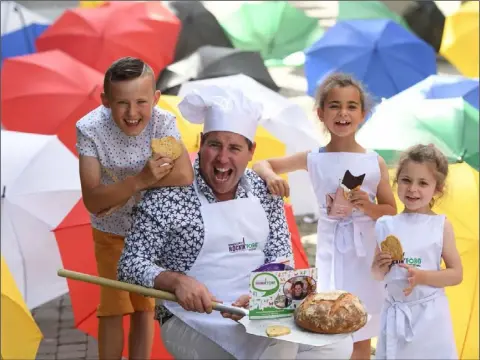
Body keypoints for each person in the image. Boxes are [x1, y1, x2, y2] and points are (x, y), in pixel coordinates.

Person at [117, 85, 354, 359]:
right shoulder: (168, 191)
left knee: (337, 343)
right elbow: (130, 264)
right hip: (193, 318)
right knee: (281, 344)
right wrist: (175, 281)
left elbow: (280, 256)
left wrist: (262, 298)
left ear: (251, 151)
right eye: (214, 145)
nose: (222, 158)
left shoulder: (265, 191)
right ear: (202, 142)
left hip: (256, 313)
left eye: (235, 148)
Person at [252, 73, 398, 359]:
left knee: (362, 324)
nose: (343, 112)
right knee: (331, 320)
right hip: (332, 246)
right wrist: (271, 176)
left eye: (351, 106)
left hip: (365, 250)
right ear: (320, 113)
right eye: (334, 106)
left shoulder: (373, 161)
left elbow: (390, 209)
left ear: (362, 114)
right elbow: (262, 163)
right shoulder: (313, 158)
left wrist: (367, 206)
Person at [76, 56, 194, 360]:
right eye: (122, 103)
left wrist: (120, 191)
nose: (132, 113)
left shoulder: (163, 122)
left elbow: (184, 175)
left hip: (150, 231)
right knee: (113, 307)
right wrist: (140, 179)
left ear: (155, 98)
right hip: (110, 232)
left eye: (141, 102)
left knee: (145, 305)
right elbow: (92, 199)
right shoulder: (90, 129)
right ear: (105, 101)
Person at [372, 144, 462, 359]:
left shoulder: (440, 226)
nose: (413, 189)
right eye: (406, 180)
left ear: (437, 188)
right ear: (397, 181)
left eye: (423, 183)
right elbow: (376, 275)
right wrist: (378, 267)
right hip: (395, 314)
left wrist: (423, 276)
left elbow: (456, 274)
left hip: (430, 317)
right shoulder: (385, 225)